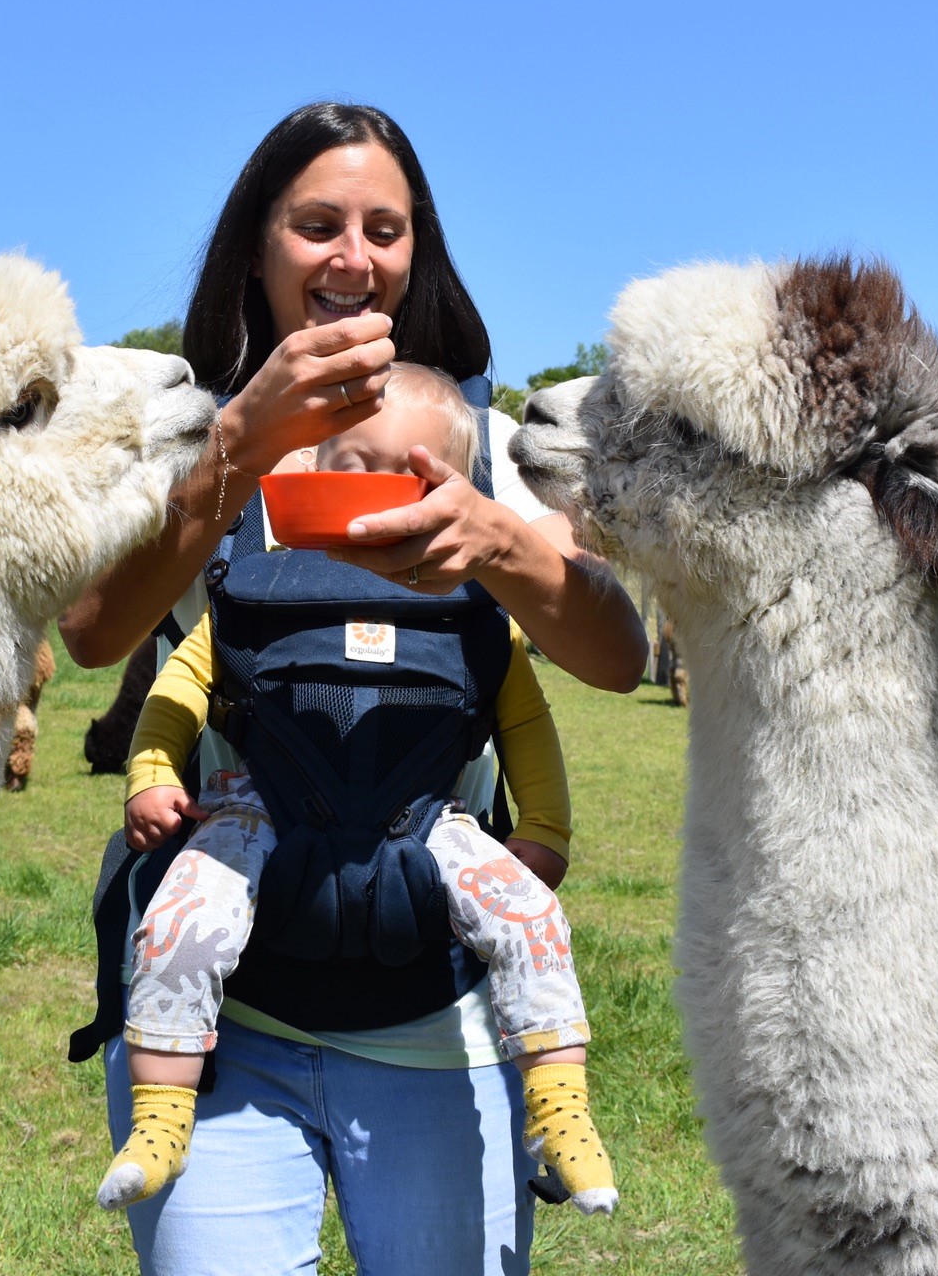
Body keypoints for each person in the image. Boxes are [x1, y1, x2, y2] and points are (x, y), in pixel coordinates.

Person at [60, 101, 645, 1276]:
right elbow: (93, 629)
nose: (353, 258)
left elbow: (616, 657)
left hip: (438, 1005)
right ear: (258, 243)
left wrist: (492, 536)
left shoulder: (468, 432)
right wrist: (242, 442)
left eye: (386, 228)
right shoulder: (187, 428)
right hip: (213, 1011)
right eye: (317, 224)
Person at [96, 363, 615, 1216]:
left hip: (430, 819)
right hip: (251, 805)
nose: (361, 484)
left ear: (448, 484)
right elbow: (180, 688)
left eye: (392, 466)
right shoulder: (258, 586)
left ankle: (562, 1117)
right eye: (341, 461)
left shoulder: (475, 602)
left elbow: (523, 721)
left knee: (533, 921)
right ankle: (161, 1115)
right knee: (183, 922)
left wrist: (546, 830)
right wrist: (152, 774)